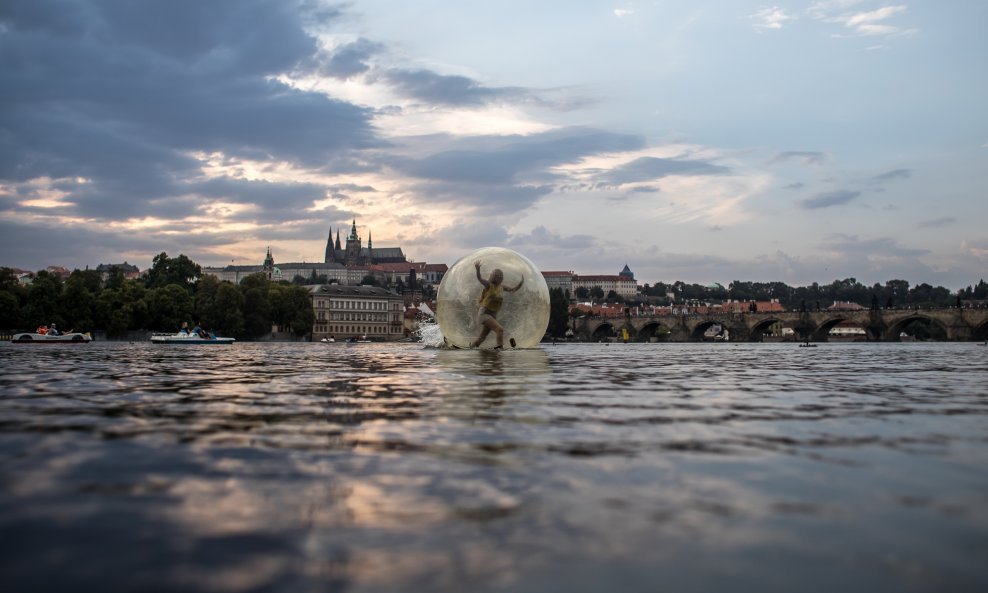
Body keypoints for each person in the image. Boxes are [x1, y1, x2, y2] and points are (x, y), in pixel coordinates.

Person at [470, 260, 523, 349]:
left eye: (501, 276)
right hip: (485, 313)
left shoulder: (501, 287)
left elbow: (513, 290)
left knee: (481, 339)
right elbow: (480, 279)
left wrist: (521, 283)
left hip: (493, 315)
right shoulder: (489, 285)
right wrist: (478, 269)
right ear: (493, 277)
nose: (499, 278)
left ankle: (470, 348)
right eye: (497, 276)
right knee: (500, 330)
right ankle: (499, 349)